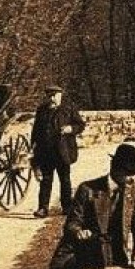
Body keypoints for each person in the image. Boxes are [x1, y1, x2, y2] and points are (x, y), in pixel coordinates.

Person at [30, 86, 85, 219]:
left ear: (60, 95)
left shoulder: (69, 109)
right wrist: (33, 146)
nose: (52, 98)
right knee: (46, 180)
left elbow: (80, 125)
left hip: (63, 150)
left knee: (64, 179)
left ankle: (66, 207)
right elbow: (36, 130)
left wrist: (70, 129)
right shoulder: (42, 110)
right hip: (46, 151)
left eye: (55, 95)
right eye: (49, 96)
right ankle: (43, 208)